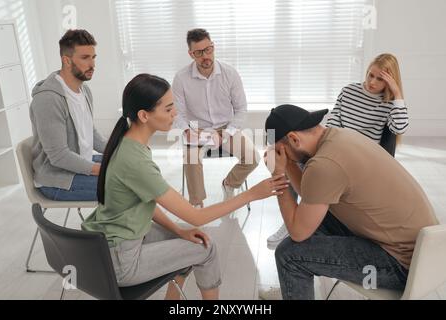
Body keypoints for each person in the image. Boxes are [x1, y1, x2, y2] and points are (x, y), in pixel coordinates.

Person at [82, 74, 288, 300]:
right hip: (121, 259)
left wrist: (179, 231)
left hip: (112, 243)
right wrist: (250, 194)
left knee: (193, 239)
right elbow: (197, 216)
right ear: (144, 115)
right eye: (169, 109)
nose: (175, 114)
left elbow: (147, 202)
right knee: (206, 249)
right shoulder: (135, 160)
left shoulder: (128, 144)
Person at [260, 104, 437, 300]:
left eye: (279, 151)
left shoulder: (324, 165)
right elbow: (310, 193)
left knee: (288, 256)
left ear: (294, 139)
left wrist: (278, 174)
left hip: (401, 265)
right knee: (312, 217)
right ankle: (292, 288)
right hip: (422, 252)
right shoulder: (338, 136)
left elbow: (298, 232)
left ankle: (292, 280)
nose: (279, 156)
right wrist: (289, 163)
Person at [267, 53, 410, 248]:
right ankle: (295, 219)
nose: (372, 82)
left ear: (390, 81)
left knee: (309, 170)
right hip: (336, 144)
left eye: (380, 79)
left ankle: (303, 221)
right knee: (295, 159)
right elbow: (334, 123)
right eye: (370, 75)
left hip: (360, 156)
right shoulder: (349, 91)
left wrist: (397, 94)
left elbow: (399, 128)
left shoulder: (389, 105)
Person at [172, 28, 260, 208]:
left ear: (213, 47)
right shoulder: (181, 78)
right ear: (191, 54)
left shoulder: (230, 74)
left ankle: (229, 184)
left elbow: (241, 110)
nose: (205, 56)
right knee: (191, 158)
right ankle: (197, 205)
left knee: (253, 157)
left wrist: (224, 134)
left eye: (208, 50)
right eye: (199, 52)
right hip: (197, 129)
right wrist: (187, 130)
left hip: (227, 127)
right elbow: (177, 114)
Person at [29, 29, 107, 201]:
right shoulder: (48, 99)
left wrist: (118, 150)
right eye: (85, 58)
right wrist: (104, 169)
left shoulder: (84, 90)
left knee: (135, 170)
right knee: (127, 187)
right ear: (67, 60)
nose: (92, 64)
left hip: (81, 161)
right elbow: (58, 156)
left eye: (93, 57)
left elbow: (90, 133)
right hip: (57, 179)